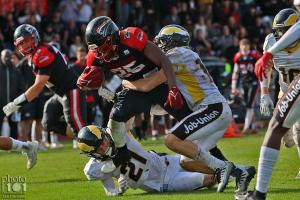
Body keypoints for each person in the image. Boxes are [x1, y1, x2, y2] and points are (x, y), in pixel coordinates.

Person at [121, 25, 256, 194]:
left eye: (163, 42)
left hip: (212, 108)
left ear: (173, 42)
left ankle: (222, 167)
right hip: (213, 111)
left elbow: (149, 84)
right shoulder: (183, 57)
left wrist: (125, 82)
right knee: (187, 160)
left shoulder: (176, 55)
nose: (160, 46)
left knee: (171, 140)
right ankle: (241, 172)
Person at [77, 16, 191, 172]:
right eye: (96, 50)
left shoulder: (131, 38)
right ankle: (121, 155)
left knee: (189, 120)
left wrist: (173, 88)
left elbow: (164, 61)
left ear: (112, 38)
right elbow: (95, 77)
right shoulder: (95, 56)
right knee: (116, 116)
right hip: (136, 89)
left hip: (158, 84)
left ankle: (216, 158)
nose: (100, 54)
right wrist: (90, 84)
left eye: (102, 47)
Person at [246, 8, 300, 200]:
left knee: (297, 130)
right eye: (278, 30)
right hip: (285, 92)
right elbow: (266, 69)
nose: (280, 35)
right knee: (286, 138)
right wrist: (264, 94)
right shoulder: (271, 41)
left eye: (284, 30)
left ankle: (259, 193)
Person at [77, 125, 216, 196]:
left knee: (188, 159)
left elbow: (122, 120)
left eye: (104, 140)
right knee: (209, 178)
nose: (105, 145)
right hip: (163, 183)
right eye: (100, 147)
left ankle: (230, 170)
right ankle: (226, 175)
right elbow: (105, 178)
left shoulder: (119, 136)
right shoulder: (93, 169)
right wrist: (116, 190)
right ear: (93, 154)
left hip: (164, 161)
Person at [2, 24, 87, 139]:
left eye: (27, 41)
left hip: (70, 89)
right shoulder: (32, 58)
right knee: (48, 122)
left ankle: (96, 147)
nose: (24, 45)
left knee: (77, 126)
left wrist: (15, 104)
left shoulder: (42, 52)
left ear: (35, 38)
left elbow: (38, 87)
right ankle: (85, 136)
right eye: (21, 44)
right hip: (60, 93)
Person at [231, 39, 261, 134]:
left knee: (250, 105)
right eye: (243, 45)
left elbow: (261, 67)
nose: (244, 47)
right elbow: (235, 72)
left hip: (254, 82)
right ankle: (253, 125)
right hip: (244, 82)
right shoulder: (238, 56)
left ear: (249, 46)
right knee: (247, 104)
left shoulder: (254, 55)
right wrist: (233, 86)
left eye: (246, 45)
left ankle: (246, 128)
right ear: (240, 46)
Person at [0, 49, 24, 139]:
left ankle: (14, 146)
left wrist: (17, 103)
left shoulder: (16, 71)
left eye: (9, 56)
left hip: (12, 105)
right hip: (0, 105)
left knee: (14, 127)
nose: (7, 58)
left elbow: (21, 88)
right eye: (5, 56)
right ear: (1, 57)